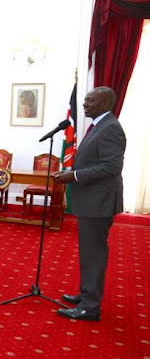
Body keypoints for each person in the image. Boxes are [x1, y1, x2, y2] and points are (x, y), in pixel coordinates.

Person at [52, 86, 126, 322]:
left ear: (105, 104)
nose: (84, 104)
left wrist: (73, 176)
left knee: (93, 255)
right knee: (89, 253)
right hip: (93, 200)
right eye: (84, 100)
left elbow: (112, 167)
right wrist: (73, 171)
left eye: (89, 101)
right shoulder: (100, 125)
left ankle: (90, 307)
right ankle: (86, 296)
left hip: (99, 202)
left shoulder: (111, 128)